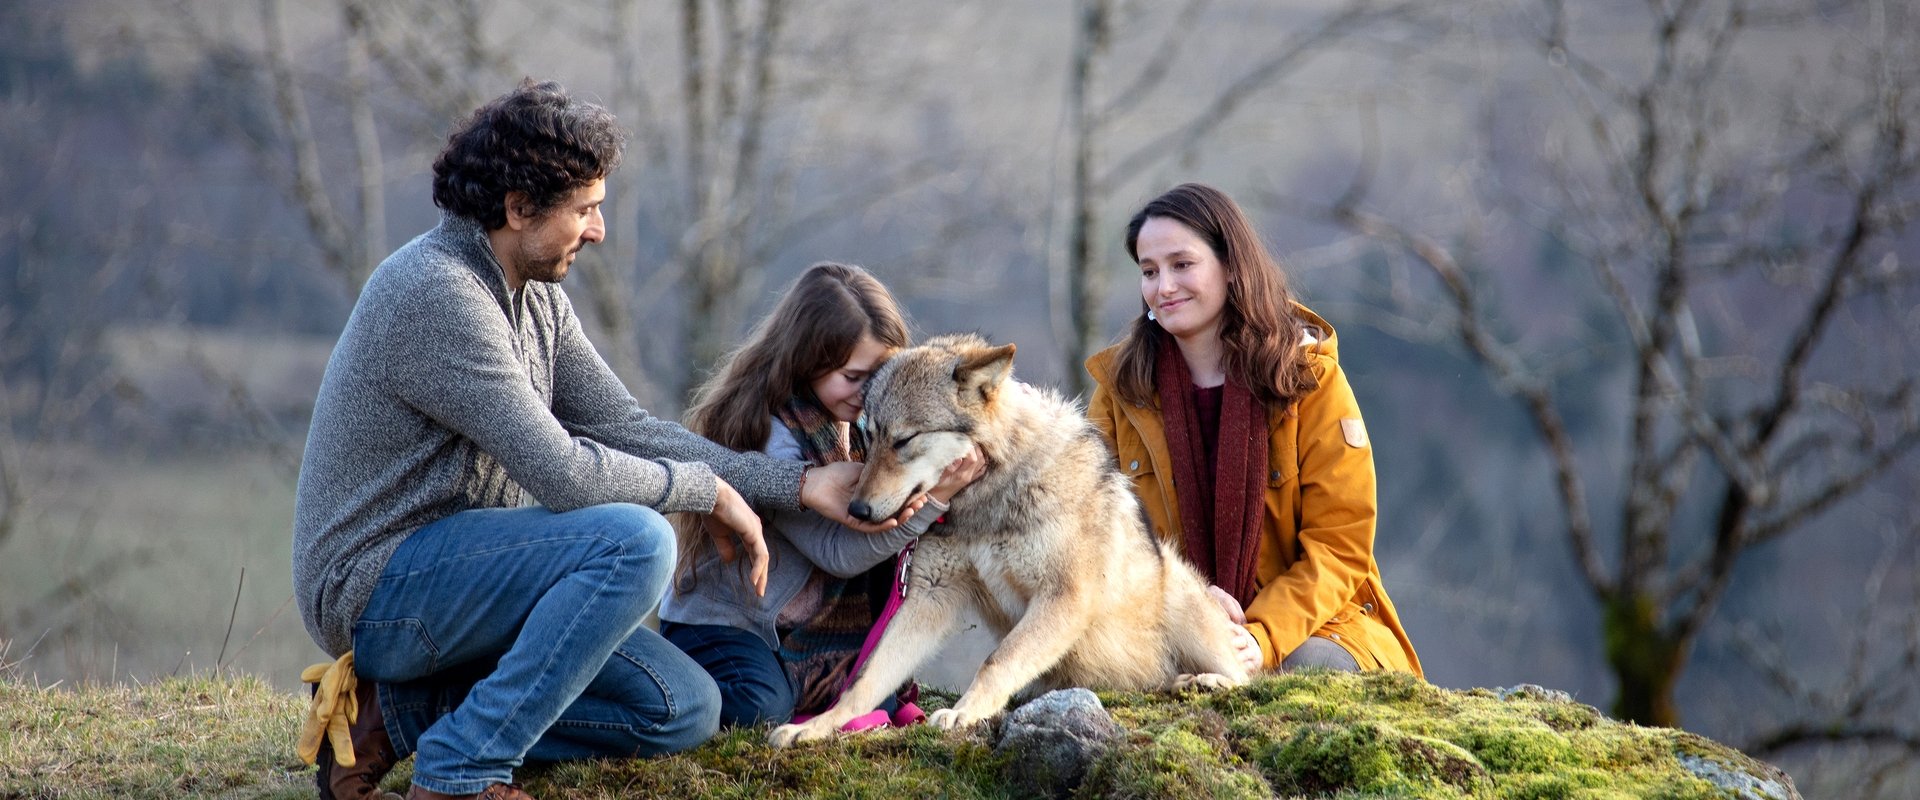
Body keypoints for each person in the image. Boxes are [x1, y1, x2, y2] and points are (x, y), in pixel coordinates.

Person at [291, 80, 907, 800]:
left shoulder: (537, 297)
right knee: (637, 541)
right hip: (377, 591)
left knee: (685, 706)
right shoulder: (437, 294)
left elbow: (627, 429)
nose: (599, 229)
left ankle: (397, 714)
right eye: (585, 209)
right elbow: (565, 477)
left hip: (482, 578)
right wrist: (707, 491)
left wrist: (792, 485)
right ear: (519, 209)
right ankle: (460, 771)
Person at [1084, 182, 1422, 678]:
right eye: (1149, 271)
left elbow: (1339, 546)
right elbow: (1089, 533)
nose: (1164, 286)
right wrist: (1189, 602)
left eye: (1182, 264)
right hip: (1167, 624)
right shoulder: (1121, 391)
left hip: (1313, 628)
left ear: (1230, 265)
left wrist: (1258, 638)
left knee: (1313, 675)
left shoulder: (1309, 378)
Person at [656, 262, 985, 728]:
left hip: (801, 626)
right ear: (807, 362)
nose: (868, 392)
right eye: (854, 377)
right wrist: (933, 501)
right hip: (727, 626)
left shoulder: (860, 422)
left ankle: (825, 685)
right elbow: (837, 552)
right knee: (761, 707)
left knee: (876, 698)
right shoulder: (774, 437)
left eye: (880, 374)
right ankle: (662, 682)